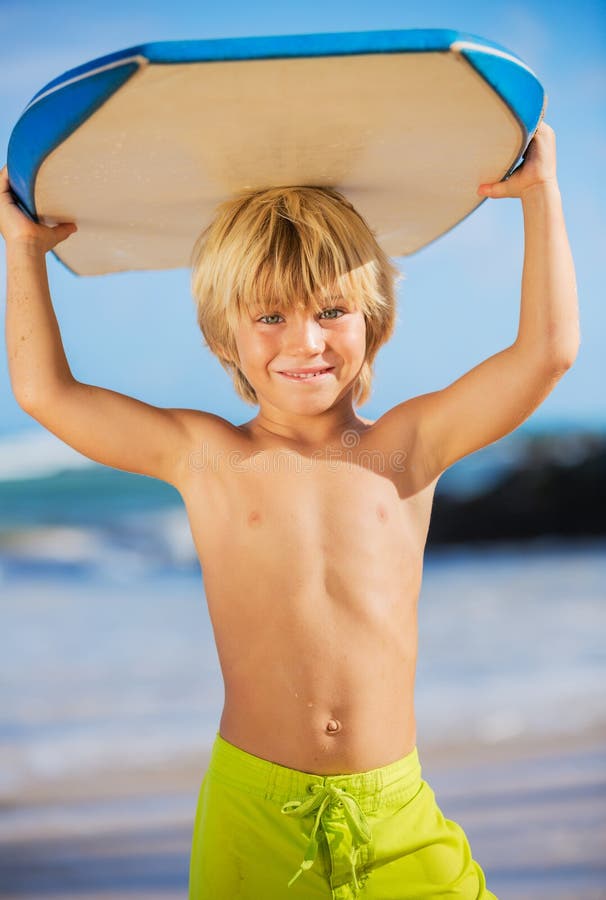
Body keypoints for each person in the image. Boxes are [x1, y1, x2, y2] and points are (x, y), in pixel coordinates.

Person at [1, 120, 579, 899]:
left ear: (373, 321)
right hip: (255, 813)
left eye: (331, 311)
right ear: (223, 338)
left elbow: (546, 351)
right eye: (269, 317)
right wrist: (23, 250)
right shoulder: (204, 455)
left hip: (396, 810)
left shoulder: (409, 446)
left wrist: (541, 194)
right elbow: (47, 393)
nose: (304, 341)